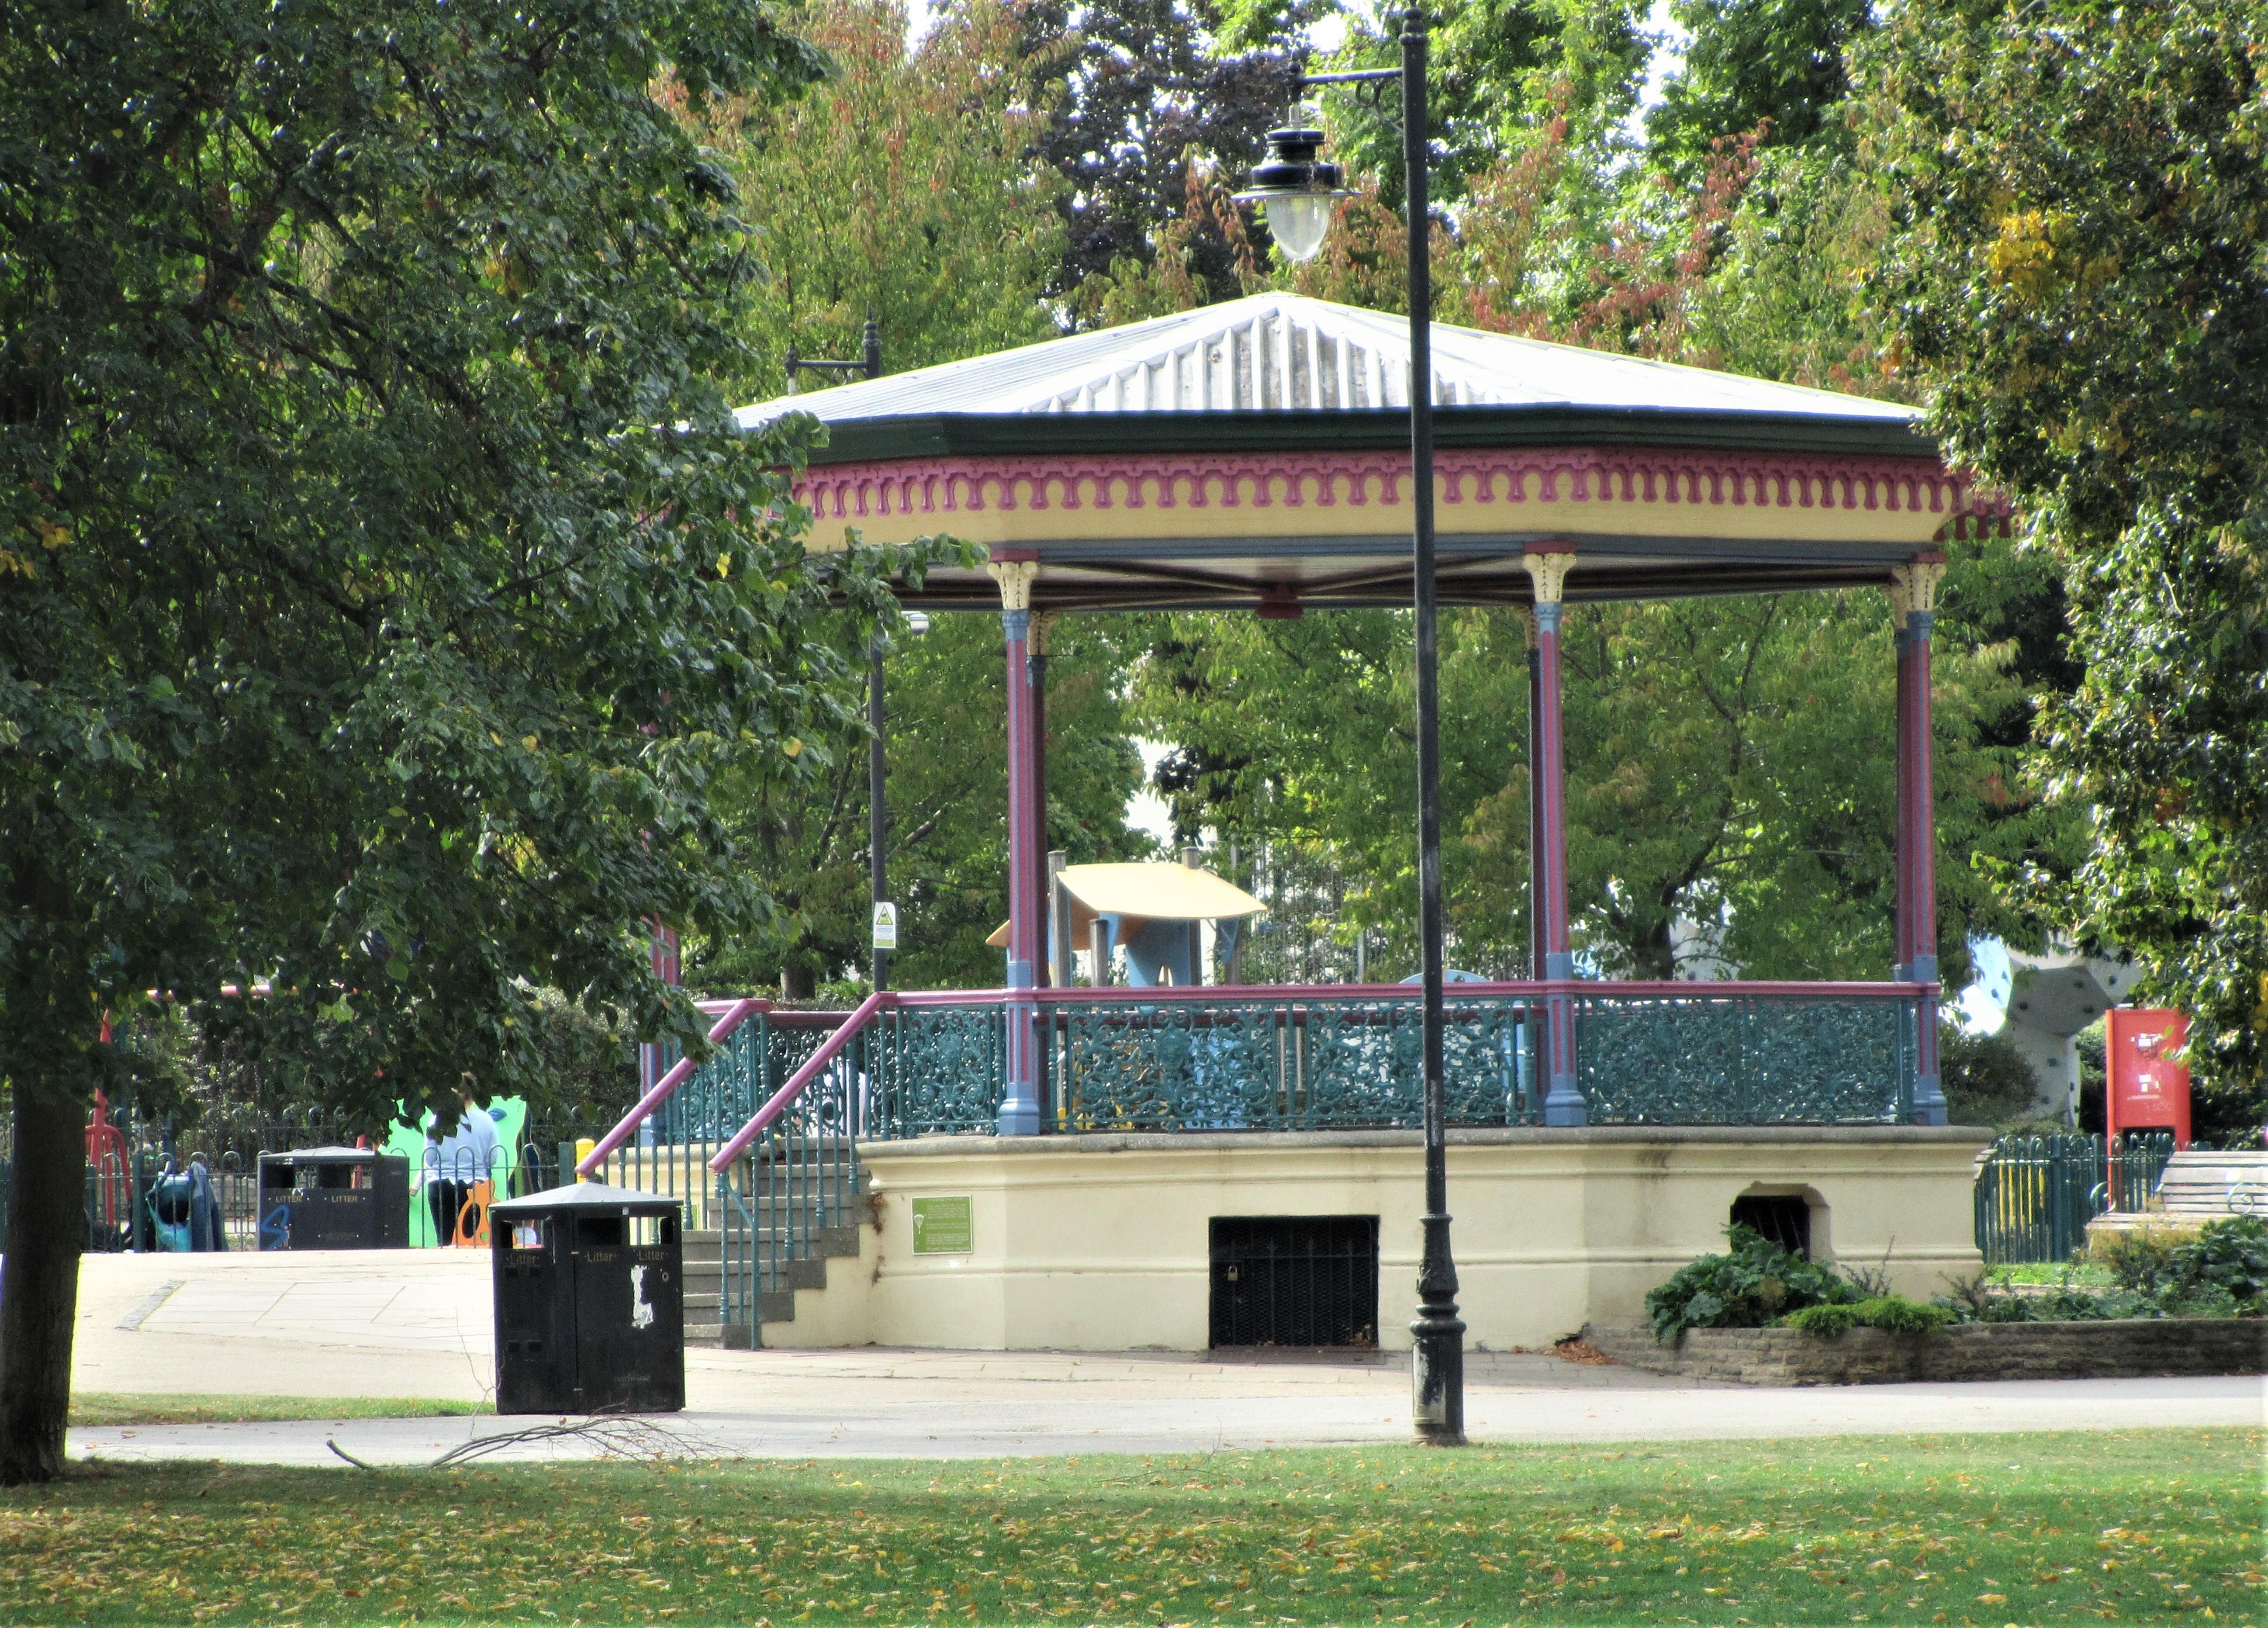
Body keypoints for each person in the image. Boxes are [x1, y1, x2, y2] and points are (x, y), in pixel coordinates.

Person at [423, 1087, 501, 1244]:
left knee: (444, 1241)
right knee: (470, 1241)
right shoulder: (486, 1121)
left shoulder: (437, 1119)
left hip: (440, 1183)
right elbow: (493, 1158)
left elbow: (429, 1158)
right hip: (475, 1185)